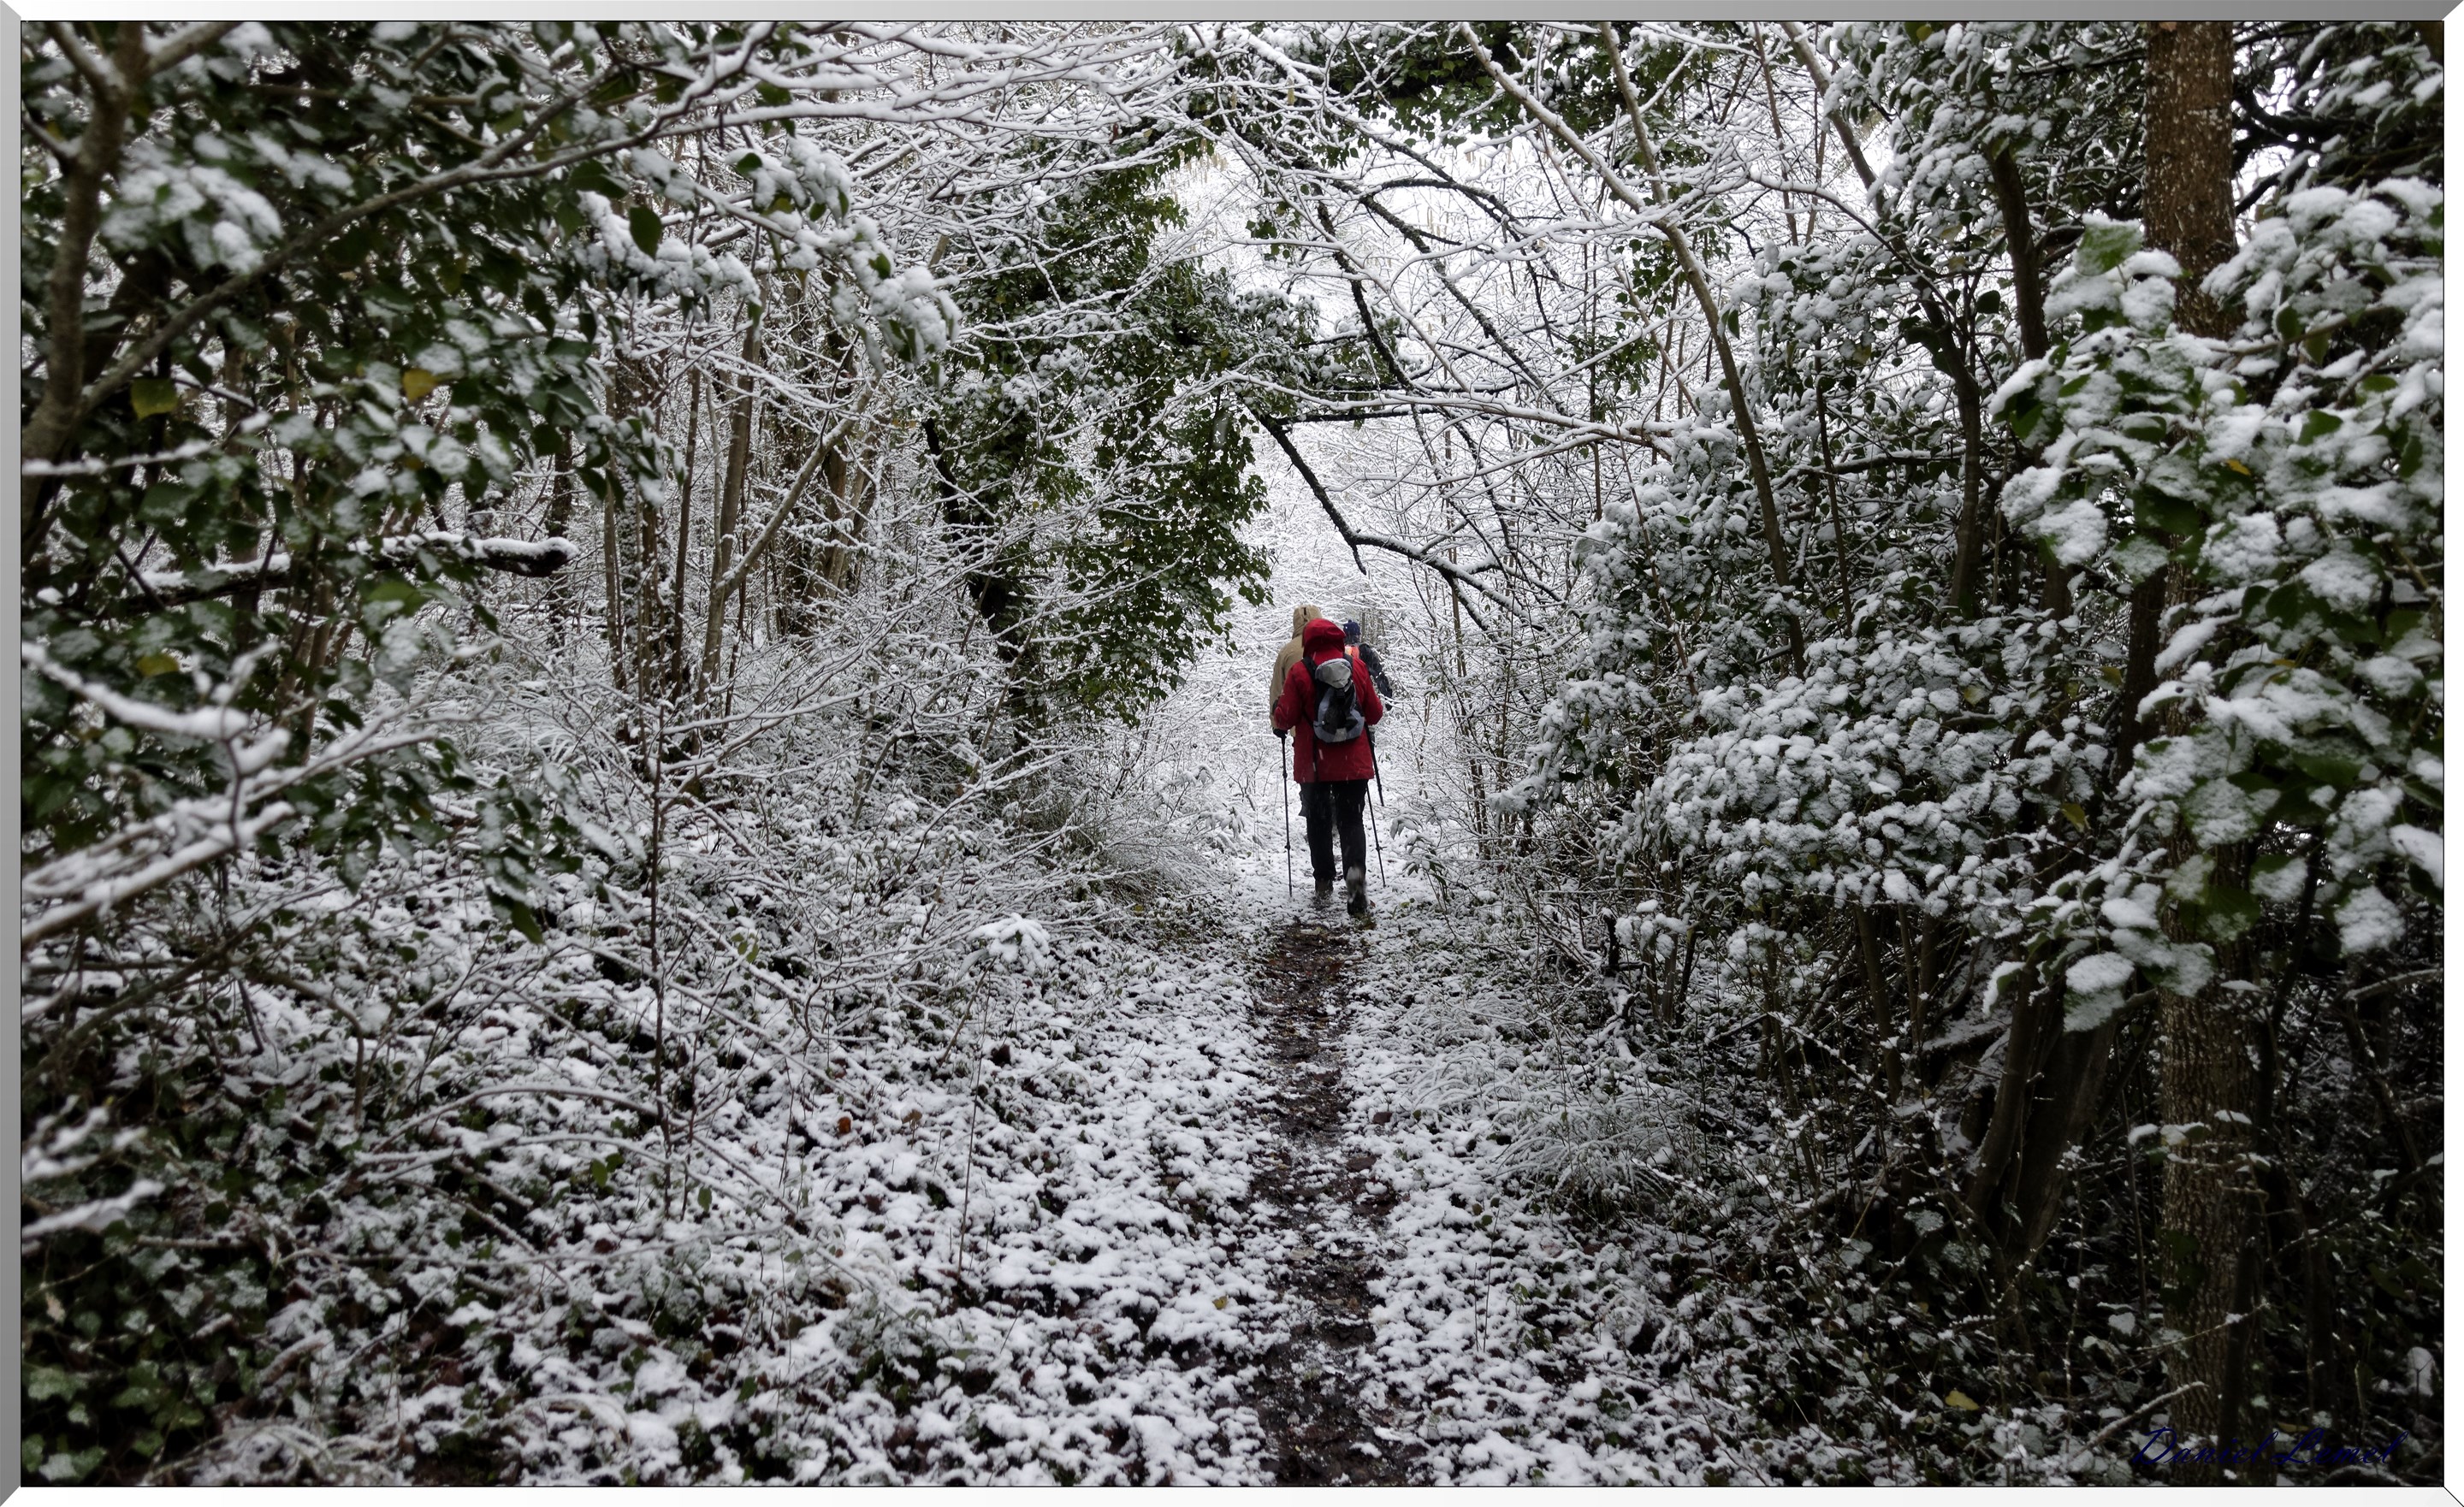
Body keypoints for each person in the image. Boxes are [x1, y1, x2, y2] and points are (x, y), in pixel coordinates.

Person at [1272, 616, 1385, 917]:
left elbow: (1285, 719)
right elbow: (1374, 714)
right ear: (1337, 639)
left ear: (1308, 642)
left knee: (1319, 823)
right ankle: (1356, 886)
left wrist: (1278, 713)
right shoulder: (1357, 668)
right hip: (1353, 764)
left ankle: (1323, 882)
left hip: (1314, 765)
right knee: (1351, 822)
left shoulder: (1299, 671)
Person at [1269, 603, 1322, 714]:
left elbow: (1277, 689)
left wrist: (1276, 721)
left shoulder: (1287, 651)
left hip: (1300, 723)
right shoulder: (1334, 645)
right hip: (1334, 724)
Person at [1342, 619, 1397, 700]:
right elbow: (1378, 673)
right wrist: (1388, 697)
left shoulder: (1340, 650)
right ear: (1357, 635)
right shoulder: (1364, 649)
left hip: (1343, 695)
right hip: (1362, 692)